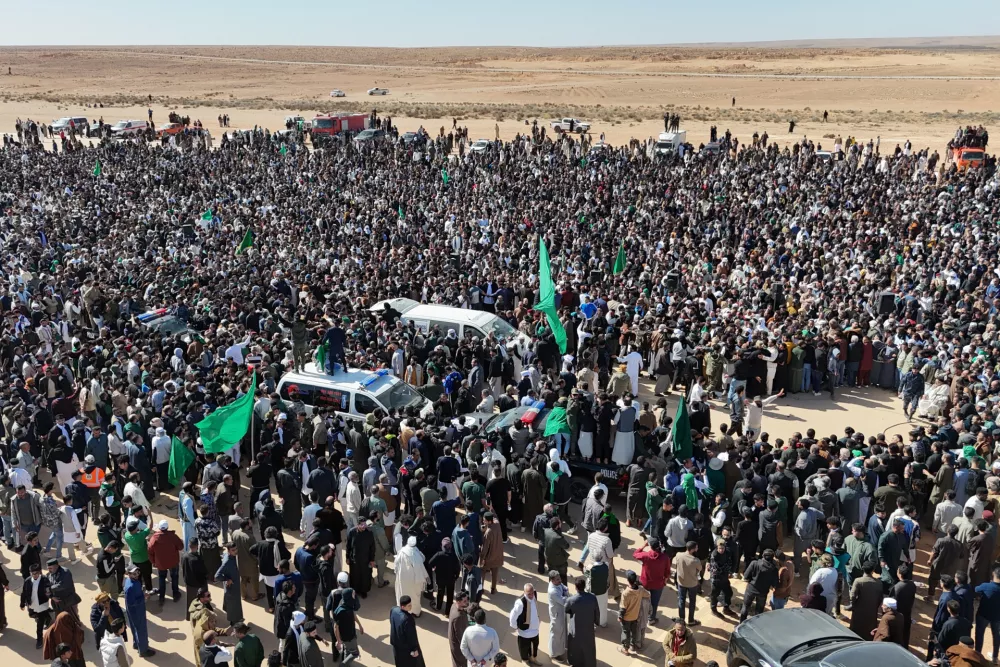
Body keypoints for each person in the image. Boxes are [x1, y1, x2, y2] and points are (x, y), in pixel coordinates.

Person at [147, 518, 183, 605]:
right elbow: (181, 547)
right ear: (167, 527)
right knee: (174, 577)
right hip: (173, 562)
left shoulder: (154, 538)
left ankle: (162, 597)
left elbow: (149, 551)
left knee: (161, 578)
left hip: (160, 563)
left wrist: (153, 562)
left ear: (159, 528)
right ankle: (175, 594)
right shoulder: (173, 536)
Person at [565, 577, 599, 667]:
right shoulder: (592, 597)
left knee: (576, 648)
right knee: (589, 647)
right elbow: (597, 611)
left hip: (576, 628)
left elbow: (566, 609)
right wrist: (596, 622)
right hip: (588, 628)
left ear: (576, 587)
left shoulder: (571, 600)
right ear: (584, 586)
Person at [122, 564, 155, 657]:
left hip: (135, 610)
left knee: (135, 628)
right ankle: (143, 650)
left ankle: (137, 644)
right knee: (141, 630)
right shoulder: (130, 587)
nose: (136, 574)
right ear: (128, 574)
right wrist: (144, 597)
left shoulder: (130, 581)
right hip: (136, 611)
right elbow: (131, 602)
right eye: (133, 573)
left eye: (137, 572)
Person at [740, 549, 778, 622]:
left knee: (745, 607)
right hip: (763, 592)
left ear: (763, 555)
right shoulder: (774, 569)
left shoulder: (754, 563)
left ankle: (741, 624)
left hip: (751, 589)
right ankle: (756, 625)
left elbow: (746, 576)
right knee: (759, 611)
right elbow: (775, 584)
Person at [20, 562, 52, 648]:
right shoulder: (27, 581)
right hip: (32, 604)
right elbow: (24, 593)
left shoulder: (45, 580)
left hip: (41, 604)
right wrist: (22, 603)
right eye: (32, 573)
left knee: (39, 623)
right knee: (32, 614)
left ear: (40, 572)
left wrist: (51, 596)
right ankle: (48, 617)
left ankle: (39, 640)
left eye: (36, 573)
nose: (34, 575)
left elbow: (49, 592)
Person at [395, 536, 429, 616]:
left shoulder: (402, 551)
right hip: (415, 581)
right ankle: (416, 612)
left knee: (404, 594)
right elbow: (423, 560)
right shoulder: (417, 553)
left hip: (403, 579)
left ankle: (405, 611)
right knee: (415, 597)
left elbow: (396, 563)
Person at [509, 584, 541, 665]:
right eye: (528, 594)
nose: (531, 595)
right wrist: (515, 626)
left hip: (535, 629)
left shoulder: (535, 595)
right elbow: (513, 615)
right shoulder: (520, 603)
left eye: (532, 593)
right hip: (525, 631)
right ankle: (525, 661)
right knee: (524, 647)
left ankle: (533, 658)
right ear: (524, 592)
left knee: (535, 646)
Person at [618, 570, 649, 657]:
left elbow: (623, 607)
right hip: (635, 616)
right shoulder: (640, 590)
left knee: (626, 633)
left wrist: (620, 616)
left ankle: (625, 649)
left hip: (626, 618)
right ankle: (632, 645)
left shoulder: (625, 593)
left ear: (627, 580)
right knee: (634, 632)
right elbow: (648, 595)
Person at [850, 563, 883, 639]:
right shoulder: (879, 582)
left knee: (856, 629)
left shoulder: (858, 581)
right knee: (869, 630)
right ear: (873, 571)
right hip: (872, 610)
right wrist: (875, 605)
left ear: (863, 570)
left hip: (859, 608)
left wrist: (854, 604)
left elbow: (852, 595)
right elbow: (880, 598)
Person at [390, 596, 425, 667]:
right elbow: (412, 636)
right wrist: (414, 649)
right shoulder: (408, 619)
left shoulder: (394, 610)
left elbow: (391, 621)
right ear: (403, 607)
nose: (411, 607)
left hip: (396, 644)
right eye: (409, 606)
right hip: (406, 649)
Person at [974, 566, 1000, 660]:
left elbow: (976, 589)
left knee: (979, 635)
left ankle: (977, 654)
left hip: (983, 615)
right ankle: (995, 657)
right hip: (997, 617)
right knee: (996, 635)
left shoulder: (987, 586)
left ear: (993, 575)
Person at [332, 586, 363, 664]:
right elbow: (336, 627)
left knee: (347, 651)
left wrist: (359, 625)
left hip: (351, 634)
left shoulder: (347, 603)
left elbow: (353, 615)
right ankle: (343, 665)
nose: (354, 595)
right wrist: (339, 641)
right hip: (348, 637)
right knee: (355, 653)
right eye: (353, 594)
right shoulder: (341, 612)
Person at [345, 518, 375, 598]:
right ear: (357, 525)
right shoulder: (352, 532)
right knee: (355, 576)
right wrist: (347, 557)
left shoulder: (369, 533)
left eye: (364, 524)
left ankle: (363, 591)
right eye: (361, 524)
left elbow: (372, 547)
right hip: (354, 560)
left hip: (366, 560)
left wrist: (372, 560)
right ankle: (355, 590)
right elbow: (348, 546)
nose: (363, 526)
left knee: (365, 576)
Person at [547, 571, 569, 662]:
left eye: (559, 578)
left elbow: (565, 587)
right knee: (556, 634)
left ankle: (561, 648)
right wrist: (567, 594)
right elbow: (564, 601)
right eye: (557, 579)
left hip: (561, 612)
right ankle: (554, 654)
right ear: (552, 580)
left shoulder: (557, 584)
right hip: (556, 615)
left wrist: (565, 592)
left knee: (561, 632)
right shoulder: (553, 591)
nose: (560, 580)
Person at [448, 591, 472, 667]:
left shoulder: (453, 606)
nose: (467, 602)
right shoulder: (458, 617)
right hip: (458, 647)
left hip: (453, 643)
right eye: (464, 601)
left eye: (467, 599)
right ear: (458, 602)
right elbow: (460, 636)